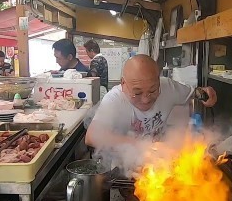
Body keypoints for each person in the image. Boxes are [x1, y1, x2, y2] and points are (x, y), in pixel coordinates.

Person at [85, 55, 217, 146]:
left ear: (159, 81)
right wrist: (141, 145)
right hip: (124, 167)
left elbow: (196, 92)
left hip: (158, 162)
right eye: (137, 92)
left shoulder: (168, 86)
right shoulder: (114, 99)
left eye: (153, 90)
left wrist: (206, 93)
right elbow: (91, 137)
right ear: (123, 83)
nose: (145, 99)